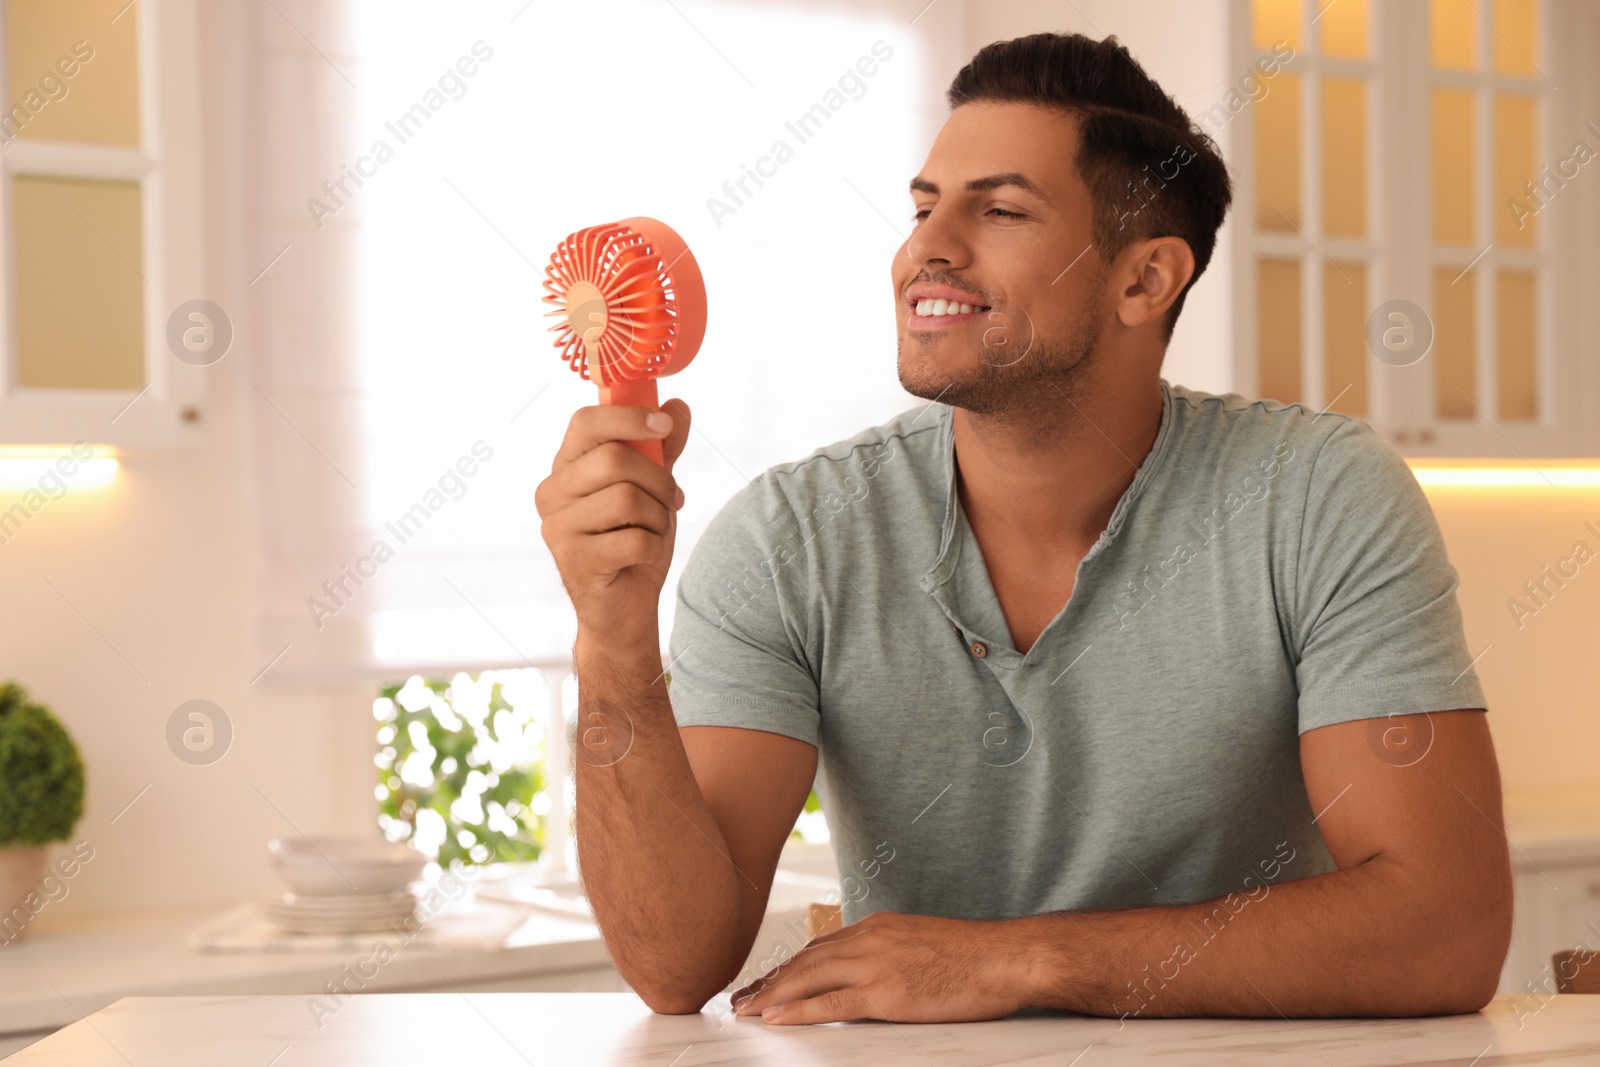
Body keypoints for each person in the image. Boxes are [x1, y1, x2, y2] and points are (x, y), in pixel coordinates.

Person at [535, 31, 1512, 1026]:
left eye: (998, 208)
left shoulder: (1315, 497)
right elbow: (673, 963)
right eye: (924, 206)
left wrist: (1019, 960)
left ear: (1144, 281)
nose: (928, 246)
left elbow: (1445, 926)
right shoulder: (791, 539)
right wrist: (612, 641)